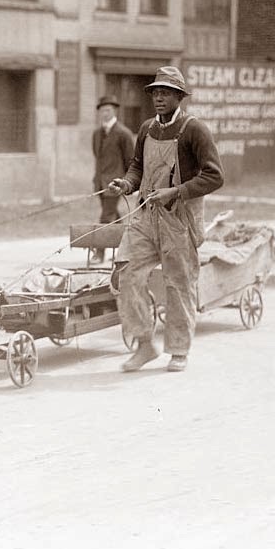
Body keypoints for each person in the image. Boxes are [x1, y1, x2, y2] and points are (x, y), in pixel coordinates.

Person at [107, 66, 224, 373]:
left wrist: (176, 192)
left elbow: (215, 176)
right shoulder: (147, 129)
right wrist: (127, 184)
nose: (159, 98)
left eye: (166, 93)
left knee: (178, 284)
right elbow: (137, 167)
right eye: (156, 93)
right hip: (146, 217)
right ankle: (145, 344)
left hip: (179, 220)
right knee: (125, 273)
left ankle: (179, 350)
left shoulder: (194, 129)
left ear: (179, 97)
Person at [91, 94, 134, 262]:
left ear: (115, 111)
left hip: (116, 183)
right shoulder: (96, 134)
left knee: (106, 216)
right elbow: (98, 156)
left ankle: (99, 253)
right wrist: (97, 179)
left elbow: (130, 160)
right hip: (100, 182)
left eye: (108, 110)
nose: (105, 113)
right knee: (114, 216)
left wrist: (129, 183)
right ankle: (127, 249)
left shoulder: (124, 133)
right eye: (102, 110)